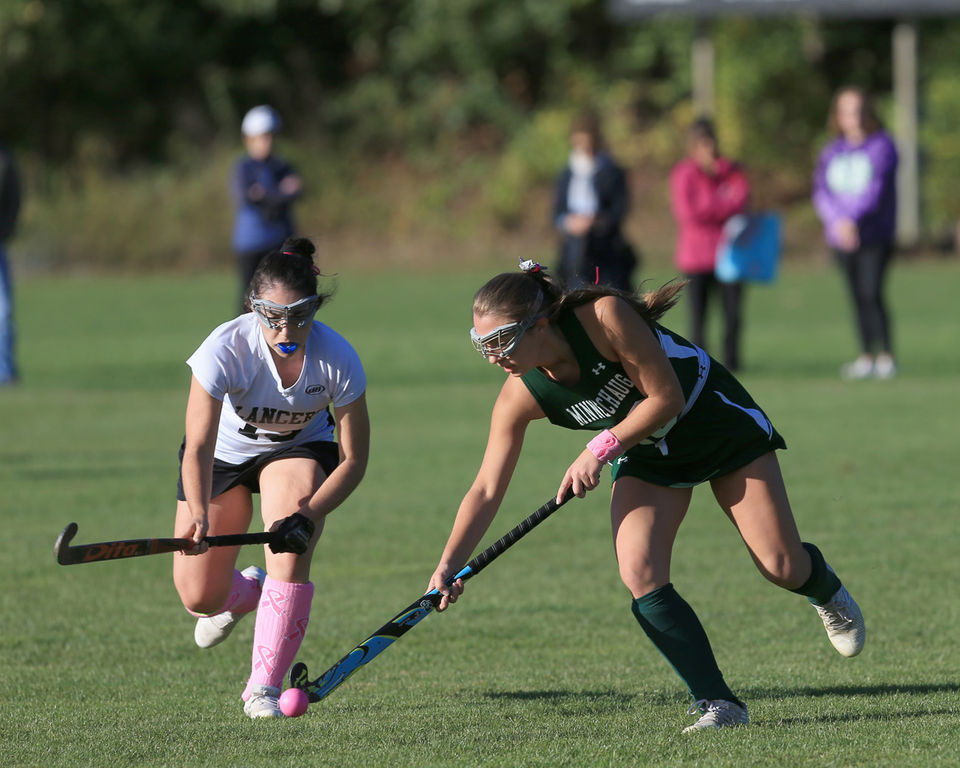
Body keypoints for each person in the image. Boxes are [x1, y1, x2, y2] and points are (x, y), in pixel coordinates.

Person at [427, 260, 865, 733]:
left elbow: (666, 399)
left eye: (502, 340)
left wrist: (599, 447)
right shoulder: (520, 393)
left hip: (713, 420)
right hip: (649, 451)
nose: (494, 357)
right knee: (639, 570)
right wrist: (450, 563)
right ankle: (719, 704)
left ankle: (826, 591)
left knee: (782, 566)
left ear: (541, 323)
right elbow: (487, 487)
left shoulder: (605, 318)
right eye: (483, 345)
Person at [173, 237, 369, 719]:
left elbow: (354, 459)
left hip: (299, 450)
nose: (286, 328)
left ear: (315, 307)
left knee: (289, 547)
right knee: (200, 597)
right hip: (221, 459)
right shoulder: (223, 349)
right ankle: (248, 593)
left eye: (300, 315)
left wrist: (309, 513)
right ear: (252, 306)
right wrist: (198, 513)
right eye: (272, 315)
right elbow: (197, 445)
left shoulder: (336, 358)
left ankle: (263, 688)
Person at [813, 87, 899, 380]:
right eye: (848, 111)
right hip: (841, 237)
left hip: (873, 235)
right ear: (838, 116)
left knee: (872, 291)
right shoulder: (831, 151)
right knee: (855, 295)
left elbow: (876, 189)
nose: (855, 117)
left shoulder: (883, 146)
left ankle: (886, 355)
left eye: (860, 109)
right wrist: (838, 222)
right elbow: (822, 192)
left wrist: (853, 219)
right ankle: (865, 355)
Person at [669, 117, 750, 372]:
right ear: (693, 147)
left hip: (731, 255)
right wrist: (722, 207)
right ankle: (698, 363)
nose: (709, 151)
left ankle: (732, 362)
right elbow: (688, 213)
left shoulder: (732, 171)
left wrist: (714, 207)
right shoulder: (683, 174)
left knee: (732, 313)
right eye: (702, 145)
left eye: (711, 144)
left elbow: (743, 201)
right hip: (696, 257)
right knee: (698, 316)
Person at [552, 110, 636, 292]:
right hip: (574, 252)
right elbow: (557, 212)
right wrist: (569, 223)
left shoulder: (612, 171)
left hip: (605, 250)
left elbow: (619, 209)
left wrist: (596, 222)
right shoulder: (567, 174)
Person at [231, 105, 303, 313]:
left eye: (270, 136)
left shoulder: (282, 165)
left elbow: (296, 191)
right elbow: (247, 196)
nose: (268, 142)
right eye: (263, 137)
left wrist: (266, 194)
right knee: (249, 298)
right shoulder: (243, 168)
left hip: (281, 240)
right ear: (249, 139)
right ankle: (243, 344)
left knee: (286, 295)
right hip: (252, 244)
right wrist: (281, 192)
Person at [0, 143, 22, 386]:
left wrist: (6, 229)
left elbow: (13, 197)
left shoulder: (4, 159)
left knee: (2, 312)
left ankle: (5, 374)